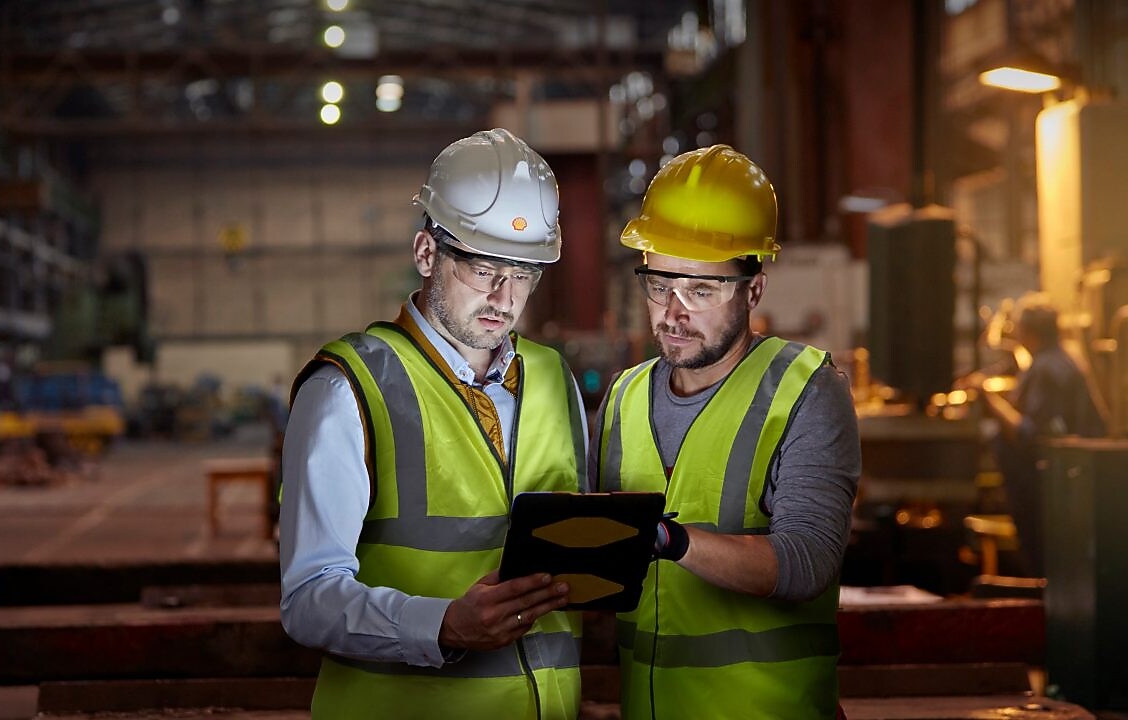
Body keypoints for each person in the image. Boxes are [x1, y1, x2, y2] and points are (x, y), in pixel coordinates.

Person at [279, 128, 588, 719]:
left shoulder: (553, 378)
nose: (504, 296)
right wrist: (442, 625)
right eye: (484, 268)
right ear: (426, 253)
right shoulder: (349, 389)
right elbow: (309, 599)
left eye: (523, 273)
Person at [591, 145, 860, 719]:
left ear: (753, 290)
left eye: (701, 291)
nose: (673, 311)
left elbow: (805, 562)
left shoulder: (805, 391)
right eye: (659, 285)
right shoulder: (622, 398)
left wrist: (669, 541)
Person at [963, 294, 1107, 576]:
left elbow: (1028, 434)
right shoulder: (1065, 359)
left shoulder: (1045, 369)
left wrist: (989, 398)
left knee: (1043, 561)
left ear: (1028, 331)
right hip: (1068, 483)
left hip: (1043, 486)